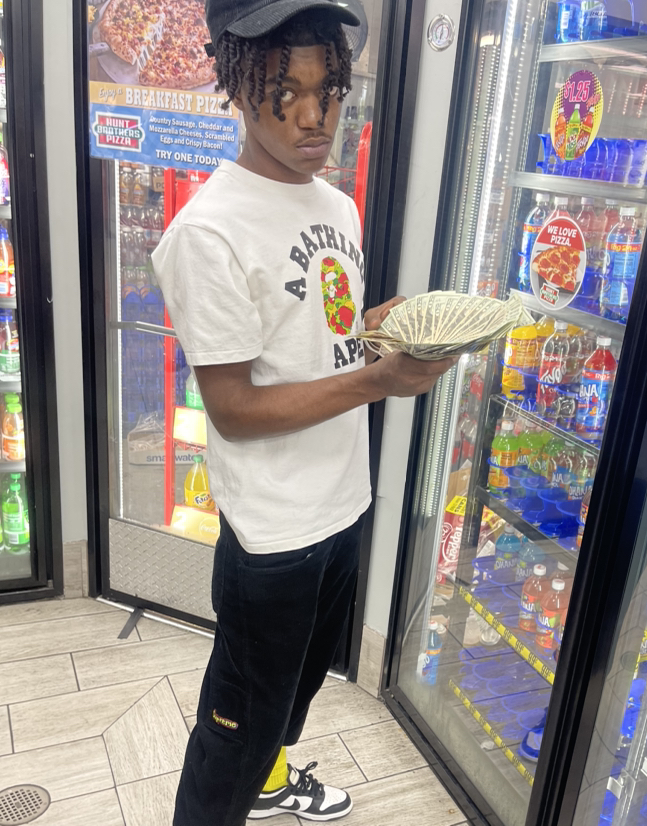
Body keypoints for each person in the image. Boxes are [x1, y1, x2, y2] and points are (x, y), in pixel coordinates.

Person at [152, 1, 456, 823]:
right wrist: (379, 382)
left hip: (342, 502)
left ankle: (276, 783)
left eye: (330, 91)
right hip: (273, 534)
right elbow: (234, 408)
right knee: (235, 731)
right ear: (236, 85)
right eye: (285, 92)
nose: (314, 116)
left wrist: (382, 332)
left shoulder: (336, 206)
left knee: (293, 696)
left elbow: (322, 340)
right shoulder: (208, 232)